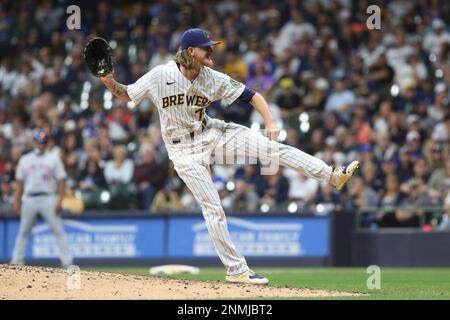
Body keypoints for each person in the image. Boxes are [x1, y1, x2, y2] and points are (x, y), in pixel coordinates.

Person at [97, 28, 359, 285]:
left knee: (271, 148)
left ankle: (332, 176)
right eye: (206, 47)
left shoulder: (212, 77)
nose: (212, 50)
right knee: (213, 208)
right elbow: (126, 93)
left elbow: (253, 96)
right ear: (190, 52)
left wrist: (269, 121)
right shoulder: (160, 75)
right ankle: (237, 270)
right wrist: (109, 81)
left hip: (210, 132)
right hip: (182, 151)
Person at [10, 130, 73, 268]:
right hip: (30, 198)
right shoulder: (25, 159)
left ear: (46, 143)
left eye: (43, 142)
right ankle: (16, 262)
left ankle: (67, 262)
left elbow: (61, 180)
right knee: (24, 231)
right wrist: (16, 201)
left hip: (48, 197)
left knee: (58, 230)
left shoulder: (53, 158)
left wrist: (60, 200)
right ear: (34, 142)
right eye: (39, 142)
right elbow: (19, 182)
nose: (41, 145)